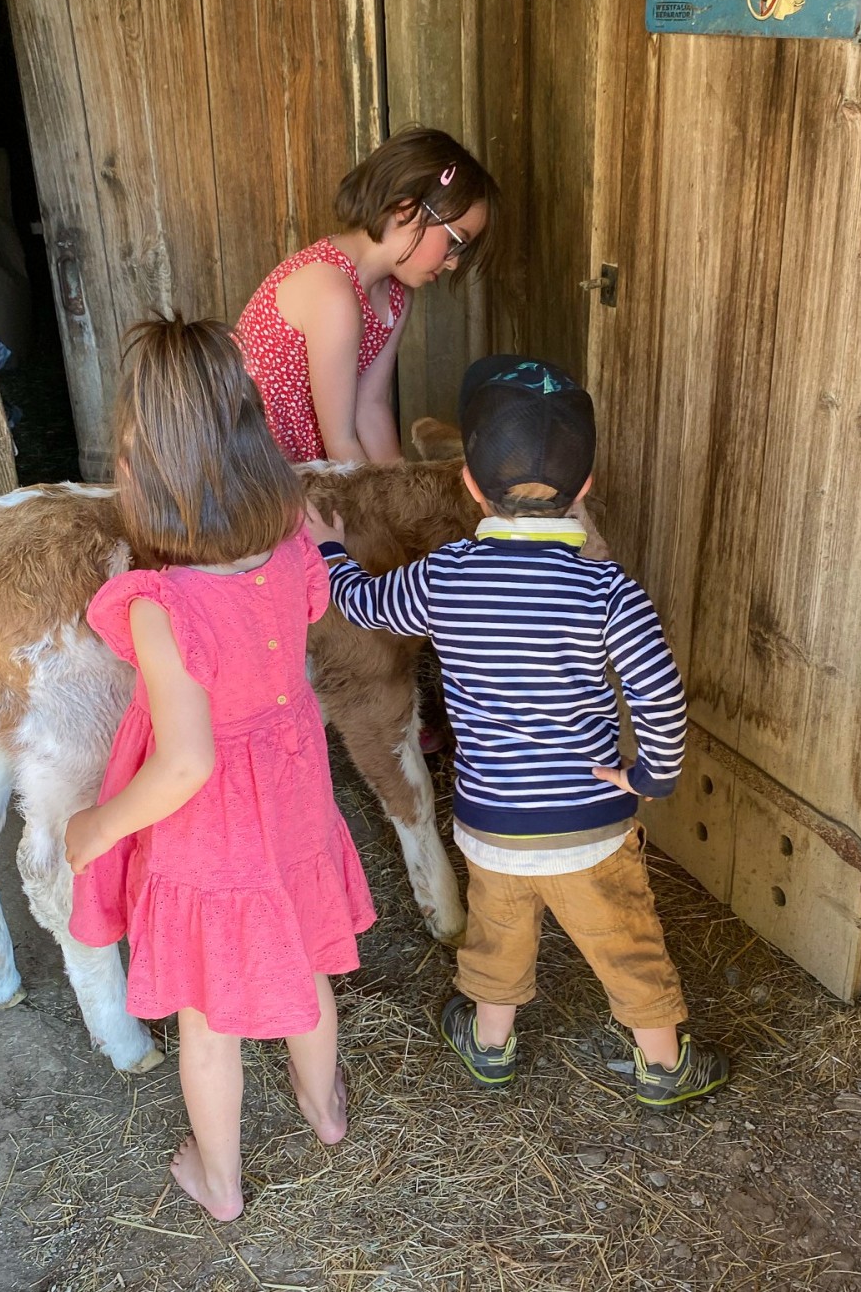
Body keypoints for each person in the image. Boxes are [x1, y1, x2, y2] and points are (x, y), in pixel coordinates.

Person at [306, 355, 730, 1109]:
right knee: (626, 940)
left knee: (498, 938)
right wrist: (651, 775)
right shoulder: (609, 588)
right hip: (591, 824)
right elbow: (660, 694)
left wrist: (332, 550)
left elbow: (366, 607)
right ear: (587, 486)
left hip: (491, 823)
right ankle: (663, 1064)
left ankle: (491, 1043)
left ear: (469, 485)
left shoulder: (445, 575)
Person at [64, 315, 376, 1221]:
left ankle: (220, 1177)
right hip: (294, 801)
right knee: (309, 959)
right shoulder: (285, 552)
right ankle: (323, 1110)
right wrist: (309, 532)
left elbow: (186, 761)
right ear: (251, 443)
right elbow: (312, 591)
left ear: (141, 466)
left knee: (208, 1019)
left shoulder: (164, 605)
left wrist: (98, 824)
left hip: (215, 840)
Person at [235, 125, 500, 465]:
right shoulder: (332, 292)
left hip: (314, 473)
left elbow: (370, 404)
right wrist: (385, 513)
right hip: (256, 480)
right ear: (406, 208)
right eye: (454, 240)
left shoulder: (396, 295)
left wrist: (404, 496)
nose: (453, 262)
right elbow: (341, 444)